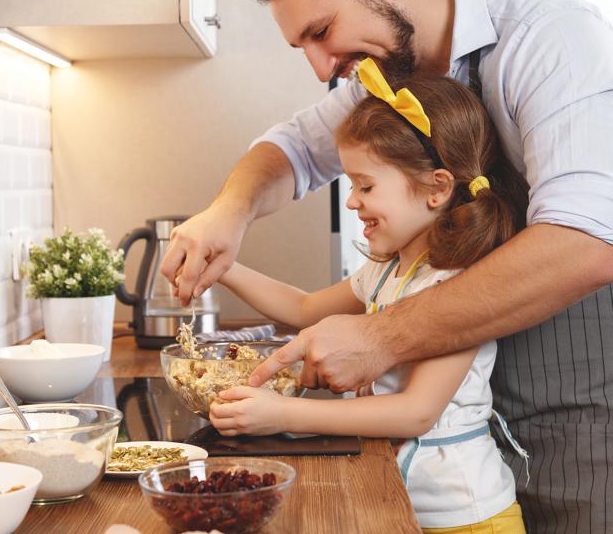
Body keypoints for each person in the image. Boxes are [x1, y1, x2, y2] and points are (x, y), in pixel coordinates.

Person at [160, 0, 613, 532]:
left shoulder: (554, 39)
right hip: (496, 431)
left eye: (321, 32)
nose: (322, 66)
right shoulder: (394, 88)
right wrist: (227, 216)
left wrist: (379, 337)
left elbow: (585, 245)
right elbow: (288, 148)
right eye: (304, 47)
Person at [207, 62, 529, 533]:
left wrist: (281, 413)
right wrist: (225, 267)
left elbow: (416, 411)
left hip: (469, 518)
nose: (353, 201)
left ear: (437, 188)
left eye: (366, 185)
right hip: (404, 505)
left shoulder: (455, 287)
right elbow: (303, 309)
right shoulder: (385, 270)